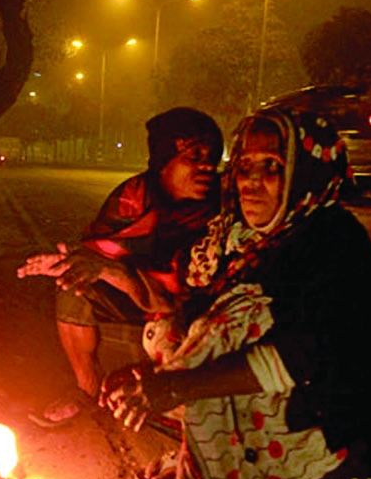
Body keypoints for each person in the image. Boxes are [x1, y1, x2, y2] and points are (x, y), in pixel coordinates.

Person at [101, 109, 371, 479]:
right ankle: (213, 459)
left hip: (342, 412)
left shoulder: (331, 239)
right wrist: (149, 376)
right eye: (245, 166)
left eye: (273, 167)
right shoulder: (245, 235)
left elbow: (305, 355)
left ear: (307, 170)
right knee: (168, 331)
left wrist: (171, 387)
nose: (251, 182)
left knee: (233, 321)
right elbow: (185, 314)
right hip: (284, 390)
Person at [17, 108, 222, 426]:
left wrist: (106, 270)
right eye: (194, 155)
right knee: (74, 286)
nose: (207, 166)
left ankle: (172, 406)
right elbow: (99, 249)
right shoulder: (134, 196)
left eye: (212, 156)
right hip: (141, 293)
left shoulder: (220, 210)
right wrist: (65, 261)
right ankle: (86, 390)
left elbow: (176, 295)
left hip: (189, 307)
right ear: (165, 161)